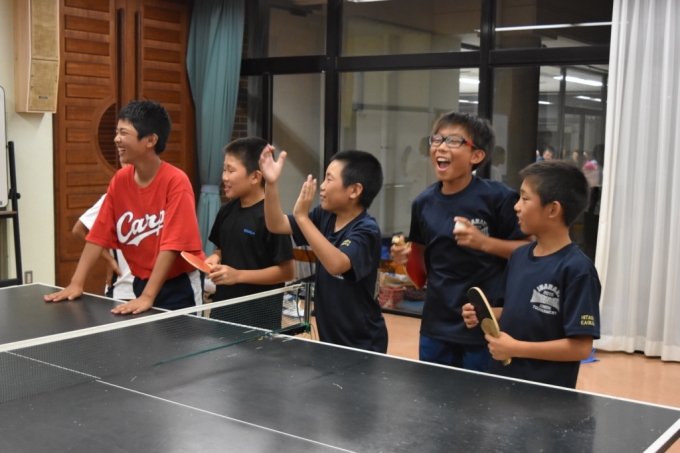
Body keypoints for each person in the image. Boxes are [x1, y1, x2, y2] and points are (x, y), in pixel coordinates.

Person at [390, 111, 530, 371]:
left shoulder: (498, 198)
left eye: (453, 141)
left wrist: (484, 242)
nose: (441, 147)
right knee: (434, 393)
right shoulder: (422, 202)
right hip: (435, 327)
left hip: (485, 324)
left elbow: (530, 252)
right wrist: (404, 259)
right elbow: (420, 274)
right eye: (437, 139)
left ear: (476, 156)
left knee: (481, 395)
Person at [45, 100, 204, 314]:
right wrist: (76, 283)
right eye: (116, 132)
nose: (116, 139)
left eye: (124, 132)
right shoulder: (120, 180)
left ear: (150, 140)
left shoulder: (176, 181)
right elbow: (97, 235)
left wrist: (148, 296)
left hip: (179, 285)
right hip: (142, 281)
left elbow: (172, 246)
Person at [462, 160, 601, 388]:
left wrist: (516, 348)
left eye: (525, 199)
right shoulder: (518, 256)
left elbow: (581, 347)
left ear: (553, 210)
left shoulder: (578, 270)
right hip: (502, 385)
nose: (516, 206)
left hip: (546, 395)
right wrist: (485, 314)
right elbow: (513, 310)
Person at [260, 146, 388, 353]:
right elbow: (276, 224)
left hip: (363, 342)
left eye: (329, 179)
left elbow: (337, 264)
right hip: (330, 336)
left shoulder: (366, 230)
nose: (322, 186)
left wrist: (302, 217)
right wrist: (271, 183)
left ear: (354, 190)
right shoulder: (324, 216)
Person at [205, 137, 295, 329]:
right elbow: (222, 249)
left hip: (259, 319)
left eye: (231, 170)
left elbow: (287, 271)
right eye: (224, 169)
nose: (225, 177)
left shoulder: (272, 218)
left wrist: (238, 276)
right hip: (222, 311)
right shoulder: (226, 211)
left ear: (255, 177)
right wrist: (215, 257)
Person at [73, 193, 135, 301]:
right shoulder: (114, 196)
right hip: (123, 288)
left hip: (158, 290)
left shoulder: (164, 195)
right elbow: (79, 230)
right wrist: (109, 259)